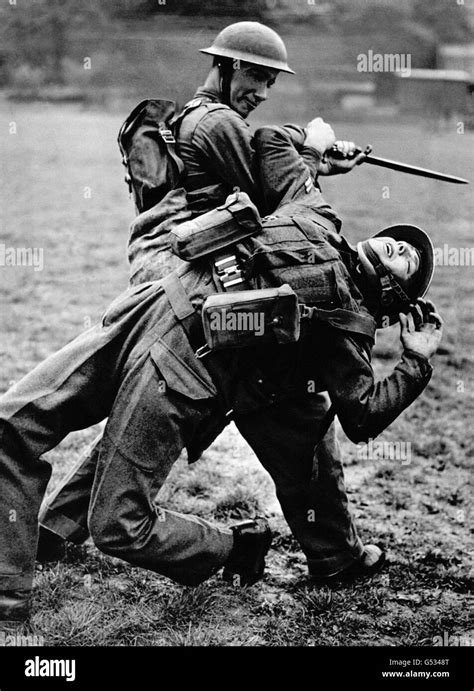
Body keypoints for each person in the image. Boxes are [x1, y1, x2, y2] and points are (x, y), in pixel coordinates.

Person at [0, 120, 442, 622]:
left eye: (411, 262)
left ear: (393, 293)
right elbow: (270, 142)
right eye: (402, 242)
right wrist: (316, 147)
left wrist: (415, 360)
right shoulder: (315, 209)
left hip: (181, 366)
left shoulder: (347, 327)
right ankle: (26, 571)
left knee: (119, 525)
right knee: (10, 426)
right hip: (148, 307)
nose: (404, 249)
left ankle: (232, 546)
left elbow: (362, 415)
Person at [37, 21, 366, 568]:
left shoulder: (195, 119)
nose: (260, 91)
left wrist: (311, 159)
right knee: (299, 417)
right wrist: (313, 160)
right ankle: (335, 557)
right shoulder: (218, 123)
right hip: (214, 299)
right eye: (254, 76)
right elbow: (278, 212)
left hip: (184, 295)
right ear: (226, 65)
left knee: (145, 418)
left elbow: (261, 169)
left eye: (270, 82)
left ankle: (57, 527)